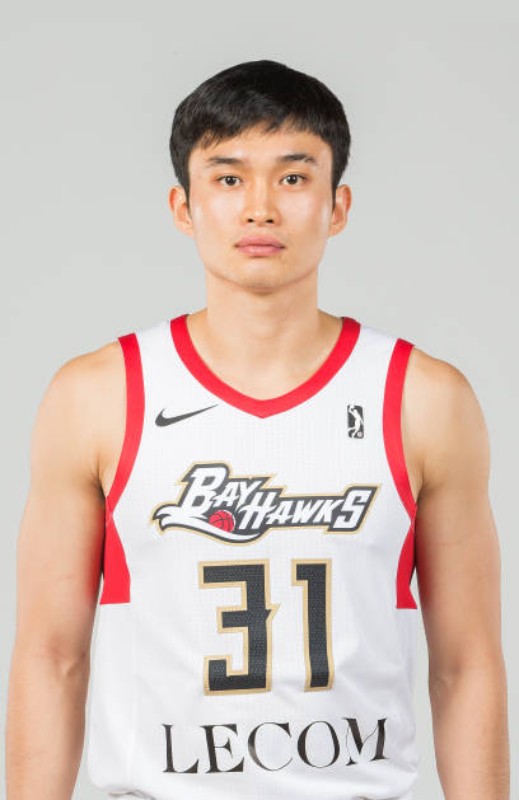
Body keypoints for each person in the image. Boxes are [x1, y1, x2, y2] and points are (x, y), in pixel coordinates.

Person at [5, 59, 509, 800]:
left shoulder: (423, 399)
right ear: (183, 206)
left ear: (338, 206)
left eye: (293, 177)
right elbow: (52, 657)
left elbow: (465, 664)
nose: (261, 208)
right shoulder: (98, 397)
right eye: (229, 178)